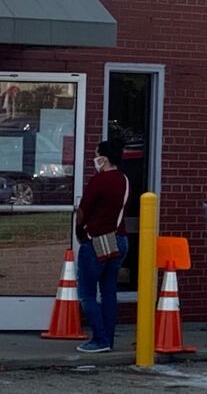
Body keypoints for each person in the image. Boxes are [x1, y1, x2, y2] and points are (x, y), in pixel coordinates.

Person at [75, 139, 130, 353]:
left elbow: (83, 211)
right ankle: (108, 339)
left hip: (97, 240)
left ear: (104, 159)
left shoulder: (99, 181)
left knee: (87, 292)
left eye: (97, 155)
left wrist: (81, 233)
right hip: (120, 239)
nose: (94, 159)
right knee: (109, 292)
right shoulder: (124, 180)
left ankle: (100, 338)